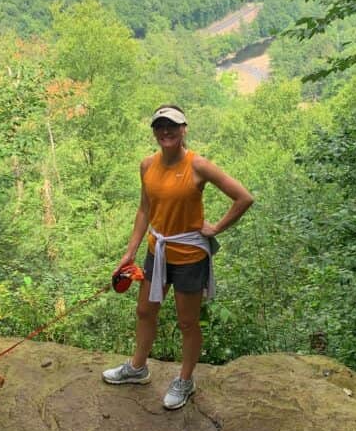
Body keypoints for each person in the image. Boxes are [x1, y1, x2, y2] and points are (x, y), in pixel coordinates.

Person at [102, 104, 254, 409]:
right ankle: (137, 368)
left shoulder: (198, 165)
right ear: (155, 131)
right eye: (160, 126)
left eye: (172, 125)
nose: (166, 131)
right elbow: (145, 208)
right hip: (156, 251)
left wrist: (216, 228)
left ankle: (185, 380)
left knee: (187, 322)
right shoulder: (147, 165)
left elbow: (243, 197)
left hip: (188, 254)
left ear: (184, 129)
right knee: (145, 311)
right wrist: (130, 251)